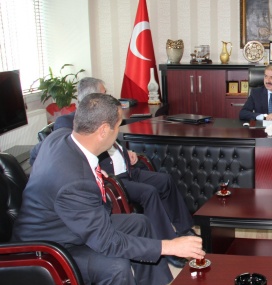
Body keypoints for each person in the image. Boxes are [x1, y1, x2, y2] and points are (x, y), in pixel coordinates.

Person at [12, 93, 205, 285]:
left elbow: (44, 146)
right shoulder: (74, 183)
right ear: (103, 130)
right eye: (117, 126)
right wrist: (170, 246)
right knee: (113, 266)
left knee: (138, 223)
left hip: (68, 224)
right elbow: (108, 242)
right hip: (47, 249)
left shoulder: (60, 137)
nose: (118, 133)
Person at [33, 77, 193, 268]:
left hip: (126, 169)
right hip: (110, 182)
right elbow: (105, 240)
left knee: (161, 185)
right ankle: (169, 245)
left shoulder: (89, 127)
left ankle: (183, 231)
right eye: (104, 93)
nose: (108, 95)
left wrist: (125, 153)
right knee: (148, 193)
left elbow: (43, 151)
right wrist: (92, 170)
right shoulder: (69, 127)